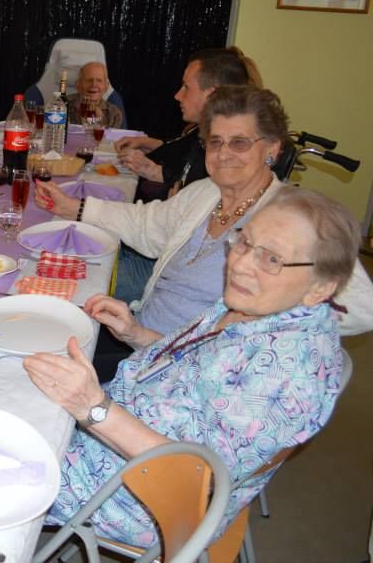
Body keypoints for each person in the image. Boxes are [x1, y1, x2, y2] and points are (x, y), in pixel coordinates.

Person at [25, 186, 357, 547]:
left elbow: (196, 477)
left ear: (321, 289)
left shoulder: (287, 375)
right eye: (244, 242)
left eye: (272, 259)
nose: (241, 264)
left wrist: (94, 409)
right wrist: (136, 333)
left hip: (135, 493)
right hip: (116, 427)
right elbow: (197, 368)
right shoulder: (258, 305)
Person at [35, 85, 373, 379]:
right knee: (41, 339)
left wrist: (261, 325)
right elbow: (145, 225)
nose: (224, 154)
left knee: (41, 372)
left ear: (271, 148)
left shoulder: (292, 219)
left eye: (239, 143)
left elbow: (362, 307)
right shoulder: (207, 192)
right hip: (139, 337)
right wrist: (74, 208)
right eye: (215, 142)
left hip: (187, 371)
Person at [116, 46, 262, 199]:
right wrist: (150, 144)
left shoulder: (222, 154)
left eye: (186, 87)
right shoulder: (200, 130)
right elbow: (178, 153)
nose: (178, 95)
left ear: (211, 95)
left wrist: (151, 170)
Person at [66, 62, 124, 128]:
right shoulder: (63, 105)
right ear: (78, 85)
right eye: (89, 80)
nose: (94, 84)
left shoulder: (114, 114)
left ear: (106, 87)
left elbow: (109, 137)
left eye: (99, 80)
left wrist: (100, 119)